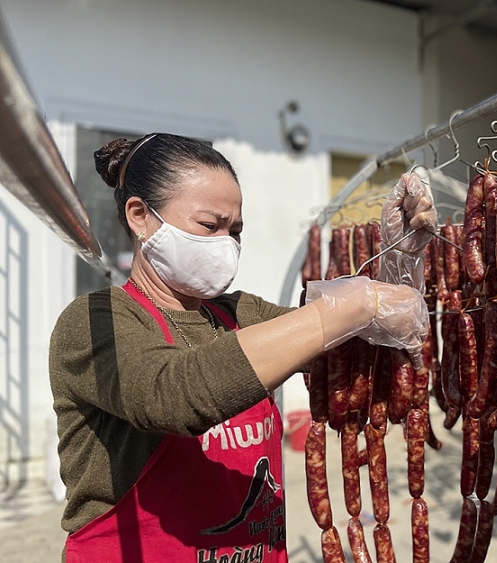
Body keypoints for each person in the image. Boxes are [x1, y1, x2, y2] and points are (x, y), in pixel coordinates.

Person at [48, 133, 434, 563]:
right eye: (209, 226)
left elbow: (361, 348)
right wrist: (349, 307)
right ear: (140, 216)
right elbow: (173, 396)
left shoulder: (239, 312)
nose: (226, 244)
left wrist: (402, 259)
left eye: (235, 231)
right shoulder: (95, 321)